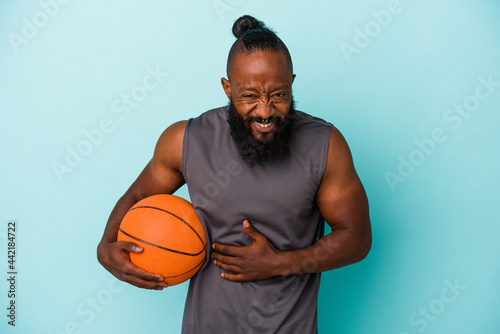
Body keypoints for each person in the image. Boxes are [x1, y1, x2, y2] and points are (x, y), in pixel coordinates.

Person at [97, 15, 371, 334]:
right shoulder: (185, 141)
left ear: (291, 82)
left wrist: (282, 263)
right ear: (228, 88)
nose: (266, 111)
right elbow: (137, 197)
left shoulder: (325, 145)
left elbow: (357, 236)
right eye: (250, 96)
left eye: (279, 95)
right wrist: (106, 245)